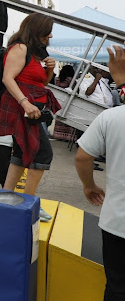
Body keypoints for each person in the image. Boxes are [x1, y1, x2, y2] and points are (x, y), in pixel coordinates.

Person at [0, 13, 61, 221]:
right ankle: (28, 202)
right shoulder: (20, 48)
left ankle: (6, 198)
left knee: (22, 152)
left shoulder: (35, 53)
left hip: (33, 110)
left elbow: (42, 83)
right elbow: (8, 78)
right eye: (47, 31)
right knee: (42, 153)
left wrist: (49, 70)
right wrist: (25, 102)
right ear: (37, 29)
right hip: (22, 109)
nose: (50, 35)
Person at [75, 43, 125, 301]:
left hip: (117, 222)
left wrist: (89, 186)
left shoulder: (112, 117)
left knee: (117, 287)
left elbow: (83, 156)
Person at [52, 65, 80, 141]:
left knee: (59, 118)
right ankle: (67, 137)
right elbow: (76, 91)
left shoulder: (57, 79)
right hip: (69, 103)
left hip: (59, 101)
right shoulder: (72, 81)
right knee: (68, 119)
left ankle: (58, 135)